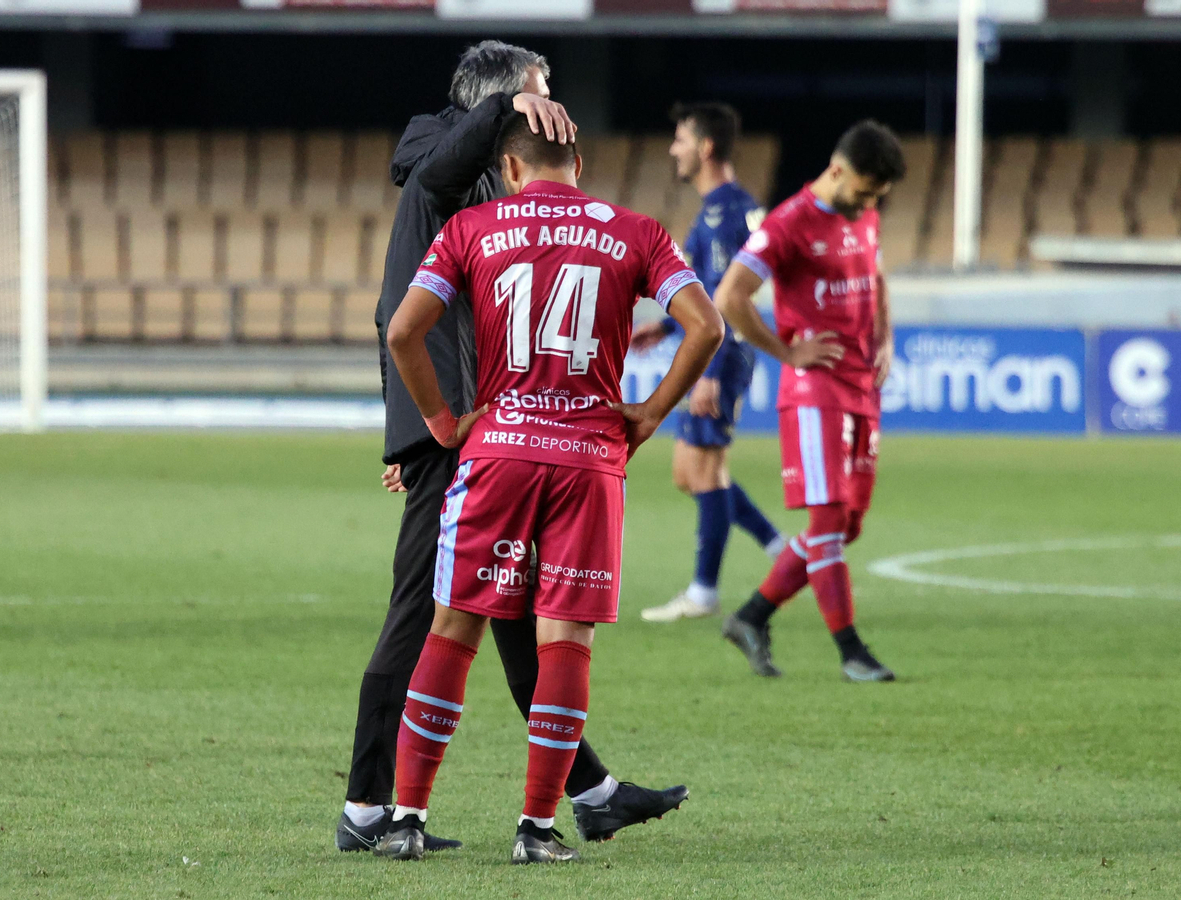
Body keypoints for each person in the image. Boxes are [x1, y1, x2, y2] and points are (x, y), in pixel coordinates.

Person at [338, 40, 687, 855]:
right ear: (501, 102)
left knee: (512, 617)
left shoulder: (500, 181)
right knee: (426, 617)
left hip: (491, 432)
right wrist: (418, 428)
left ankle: (590, 792)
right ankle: (367, 807)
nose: (555, 103)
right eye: (543, 90)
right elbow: (404, 311)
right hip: (463, 430)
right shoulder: (435, 143)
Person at [713, 120, 905, 683]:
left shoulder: (861, 213)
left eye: (877, 198)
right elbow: (730, 296)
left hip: (861, 387)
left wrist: (886, 337)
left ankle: (750, 617)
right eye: (865, 192)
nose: (869, 205)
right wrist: (786, 354)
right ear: (838, 169)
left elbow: (876, 275)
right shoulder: (788, 223)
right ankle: (851, 651)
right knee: (826, 519)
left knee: (846, 526)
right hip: (815, 391)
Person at [636, 102, 786, 623]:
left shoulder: (722, 216)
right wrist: (669, 326)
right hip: (720, 353)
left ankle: (704, 591)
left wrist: (707, 373)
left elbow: (724, 305)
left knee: (706, 470)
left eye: (680, 140)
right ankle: (779, 549)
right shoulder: (728, 207)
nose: (673, 149)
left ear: (704, 148)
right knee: (691, 472)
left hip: (721, 358)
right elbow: (707, 296)